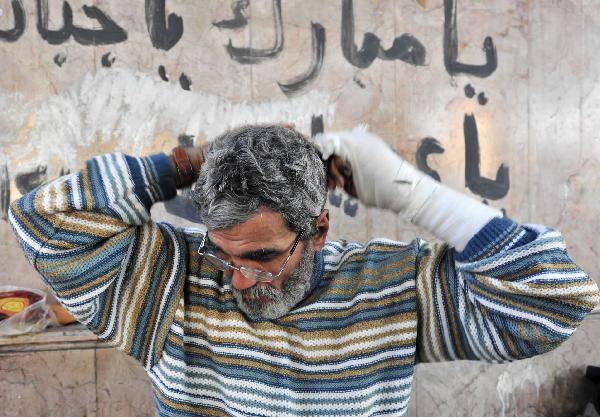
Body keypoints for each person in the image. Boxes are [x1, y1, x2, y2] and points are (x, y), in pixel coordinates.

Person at [9, 124, 599, 417]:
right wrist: (186, 163)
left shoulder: (390, 288)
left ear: (317, 230)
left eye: (263, 257)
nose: (237, 278)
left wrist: (411, 193)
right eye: (224, 252)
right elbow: (43, 218)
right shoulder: (170, 280)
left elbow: (551, 301)